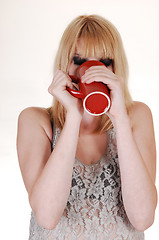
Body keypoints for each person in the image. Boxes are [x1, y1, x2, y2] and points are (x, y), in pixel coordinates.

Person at [17, 15, 157, 240]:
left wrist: (119, 118)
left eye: (104, 63)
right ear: (65, 65)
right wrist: (74, 114)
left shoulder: (135, 117)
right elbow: (47, 216)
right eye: (80, 62)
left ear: (116, 68)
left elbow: (143, 218)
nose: (91, 73)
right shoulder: (36, 121)